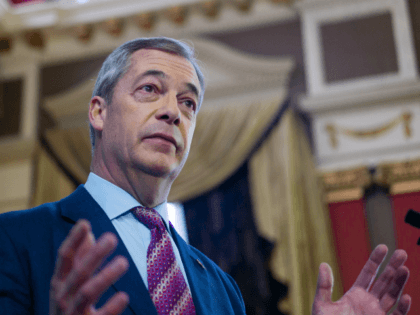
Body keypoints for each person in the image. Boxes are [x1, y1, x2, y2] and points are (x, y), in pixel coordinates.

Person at [0, 37, 411, 315]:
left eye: (188, 102)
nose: (172, 112)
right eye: (149, 89)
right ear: (99, 112)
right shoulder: (15, 239)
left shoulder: (222, 288)